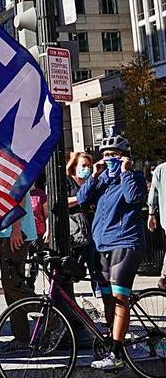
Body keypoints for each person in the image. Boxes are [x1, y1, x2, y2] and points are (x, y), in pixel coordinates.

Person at [79, 135, 147, 370]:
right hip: (101, 245)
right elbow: (81, 198)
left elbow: (134, 197)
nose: (110, 159)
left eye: (114, 155)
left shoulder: (134, 177)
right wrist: (94, 175)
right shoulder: (102, 180)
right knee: (106, 297)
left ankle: (116, 354)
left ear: (125, 156)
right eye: (106, 155)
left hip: (125, 242)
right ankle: (112, 341)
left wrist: (127, 171)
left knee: (119, 297)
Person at [0, 193, 38, 352]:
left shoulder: (12, 170)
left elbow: (19, 197)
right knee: (10, 286)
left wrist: (16, 229)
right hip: (6, 231)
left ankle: (51, 319)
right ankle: (21, 335)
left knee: (13, 284)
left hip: (15, 231)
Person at [66, 151, 99, 295]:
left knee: (96, 267)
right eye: (83, 165)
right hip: (75, 234)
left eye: (89, 166)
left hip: (93, 230)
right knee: (71, 269)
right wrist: (80, 198)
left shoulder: (92, 182)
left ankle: (100, 300)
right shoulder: (67, 182)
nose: (87, 168)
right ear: (74, 166)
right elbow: (61, 203)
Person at [148, 159, 166, 290]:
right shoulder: (160, 170)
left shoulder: (160, 169)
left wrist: (151, 214)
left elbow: (152, 194)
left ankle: (164, 277)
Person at [29, 175, 49, 245]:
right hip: (23, 232)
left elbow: (47, 215)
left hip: (38, 233)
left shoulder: (40, 194)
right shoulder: (20, 194)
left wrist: (48, 230)